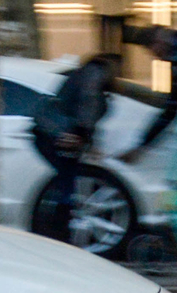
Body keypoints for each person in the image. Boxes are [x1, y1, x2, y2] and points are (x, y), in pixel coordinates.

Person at [31, 52, 117, 241]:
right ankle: (60, 232)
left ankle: (58, 230)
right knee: (66, 184)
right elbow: (89, 103)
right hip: (64, 135)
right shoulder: (95, 73)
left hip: (58, 134)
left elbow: (84, 106)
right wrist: (82, 133)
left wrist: (86, 137)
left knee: (66, 183)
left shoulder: (82, 74)